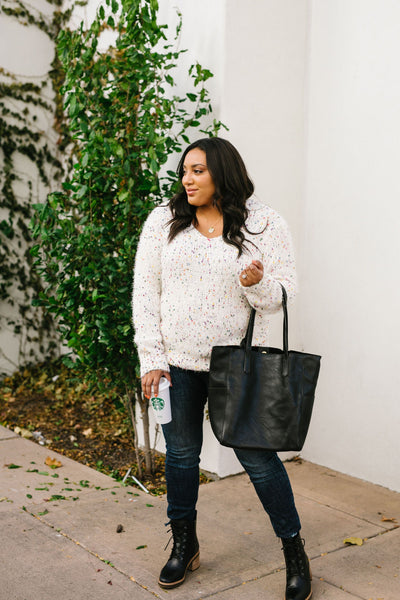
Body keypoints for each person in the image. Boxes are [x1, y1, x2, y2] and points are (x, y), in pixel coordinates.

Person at [132, 137, 312, 600]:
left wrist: (258, 283)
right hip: (176, 366)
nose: (187, 180)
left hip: (238, 366)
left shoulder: (265, 223)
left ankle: (294, 551)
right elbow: (144, 293)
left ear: (222, 173)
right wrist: (152, 358)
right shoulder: (163, 222)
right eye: (184, 171)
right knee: (181, 457)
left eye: (198, 171)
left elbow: (282, 296)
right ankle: (186, 544)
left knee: (258, 459)